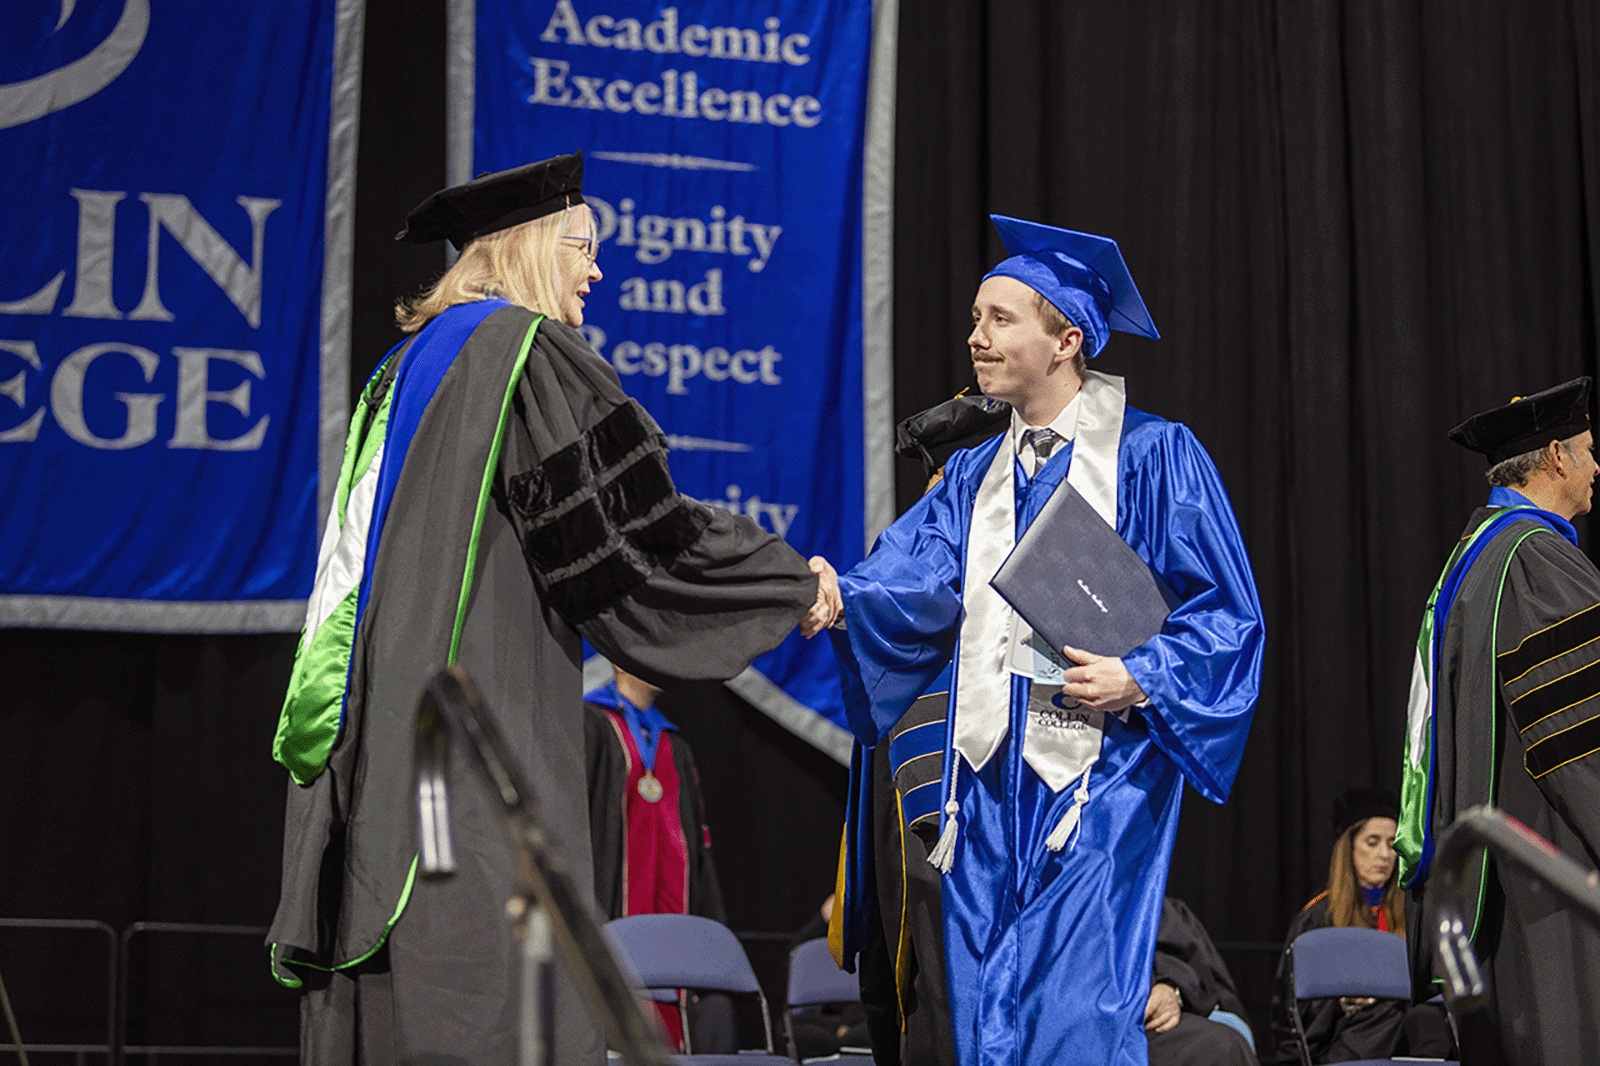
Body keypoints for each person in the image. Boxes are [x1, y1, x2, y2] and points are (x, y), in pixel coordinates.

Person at [266, 153, 835, 1066]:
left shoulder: (407, 363)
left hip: (384, 733)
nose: (597, 272)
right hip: (480, 721)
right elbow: (635, 539)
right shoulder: (519, 353)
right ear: (531, 247)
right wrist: (784, 580)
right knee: (486, 980)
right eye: (584, 248)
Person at [819, 215, 1265, 1065]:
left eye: (999, 318)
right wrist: (840, 593)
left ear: (1066, 340)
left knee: (1071, 1017)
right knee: (978, 1014)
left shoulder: (1155, 457)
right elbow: (913, 573)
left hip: (1097, 781)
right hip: (982, 786)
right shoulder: (975, 474)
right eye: (975, 318)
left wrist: (1142, 674)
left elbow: (1229, 617)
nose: (975, 337)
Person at [1397, 376, 1600, 1063]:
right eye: (1589, 449)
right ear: (1558, 456)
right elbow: (1581, 742)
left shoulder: (1476, 556)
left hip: (1494, 881)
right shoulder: (1538, 561)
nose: (1598, 467)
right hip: (1558, 881)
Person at [584, 665, 725, 1051]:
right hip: (613, 899)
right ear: (619, 660)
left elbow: (698, 843)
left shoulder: (673, 743)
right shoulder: (591, 723)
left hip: (672, 902)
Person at [1268, 788, 1422, 1064]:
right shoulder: (1319, 917)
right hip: (1340, 1039)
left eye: (1392, 844)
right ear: (1348, 849)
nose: (1385, 855)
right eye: (1372, 842)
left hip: (1402, 1033)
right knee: (1388, 1009)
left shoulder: (1410, 914)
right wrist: (1341, 1003)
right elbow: (1290, 1010)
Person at [1146, 896, 1256, 1066]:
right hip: (1111, 1029)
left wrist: (1170, 987)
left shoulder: (1142, 898)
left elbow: (1184, 959)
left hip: (1148, 1020)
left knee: (1225, 1043)